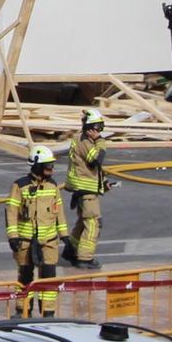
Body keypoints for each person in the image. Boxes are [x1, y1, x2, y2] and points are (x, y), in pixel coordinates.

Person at [5, 145, 67, 316]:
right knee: (25, 277)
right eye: (48, 166)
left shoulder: (52, 186)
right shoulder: (20, 186)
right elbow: (11, 212)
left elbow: (59, 212)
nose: (52, 169)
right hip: (25, 242)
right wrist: (13, 237)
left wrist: (65, 235)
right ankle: (23, 310)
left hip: (48, 242)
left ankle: (48, 312)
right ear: (38, 165)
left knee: (49, 278)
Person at [65, 109, 112, 267]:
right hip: (85, 191)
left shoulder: (84, 139)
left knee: (83, 222)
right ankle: (85, 258)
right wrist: (100, 141)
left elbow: (91, 170)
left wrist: (103, 183)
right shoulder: (86, 141)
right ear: (90, 128)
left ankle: (71, 250)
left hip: (84, 189)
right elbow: (95, 160)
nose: (99, 131)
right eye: (97, 128)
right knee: (93, 224)